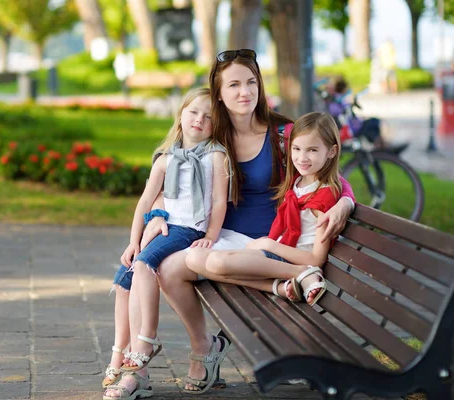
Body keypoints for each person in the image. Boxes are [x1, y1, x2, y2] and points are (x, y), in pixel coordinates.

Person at [131, 49, 356, 395]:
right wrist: (158, 211)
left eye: (251, 82)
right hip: (226, 236)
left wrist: (344, 201)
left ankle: (292, 282)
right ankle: (205, 348)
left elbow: (327, 169)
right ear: (218, 93)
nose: (244, 92)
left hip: (276, 240)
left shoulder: (284, 134)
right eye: (233, 85)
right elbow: (173, 179)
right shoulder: (211, 137)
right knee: (169, 268)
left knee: (191, 261)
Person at [103, 88, 233, 399]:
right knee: (126, 279)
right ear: (180, 114)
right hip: (167, 226)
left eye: (208, 117)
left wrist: (211, 235)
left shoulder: (217, 156)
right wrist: (133, 242)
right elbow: (145, 202)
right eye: (193, 113)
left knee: (146, 265)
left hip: (189, 230)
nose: (199, 120)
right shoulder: (165, 159)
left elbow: (219, 202)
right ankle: (125, 356)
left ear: (216, 125)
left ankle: (145, 344)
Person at [187, 111, 343, 307]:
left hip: (286, 258)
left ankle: (301, 273)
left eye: (312, 150)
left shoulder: (324, 197)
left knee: (216, 263)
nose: (302, 157)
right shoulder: (298, 181)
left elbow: (316, 258)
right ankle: (278, 287)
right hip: (276, 254)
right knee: (193, 259)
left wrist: (269, 245)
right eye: (296, 149)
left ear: (331, 151)